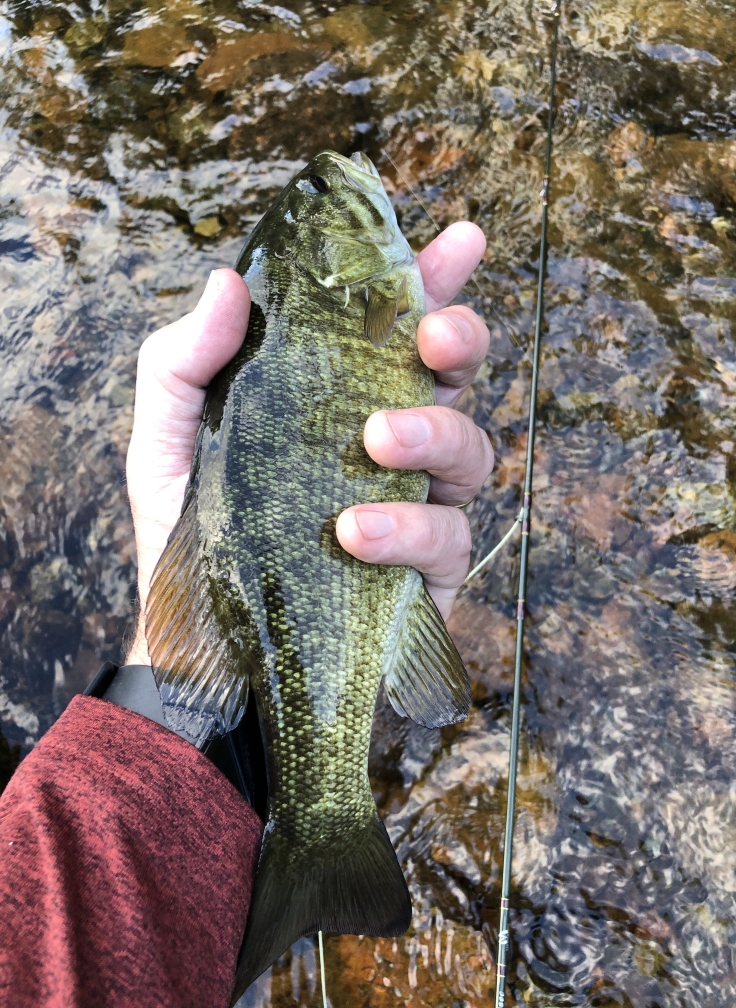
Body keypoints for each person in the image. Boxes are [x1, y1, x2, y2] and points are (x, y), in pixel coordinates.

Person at [0, 222, 494, 1007]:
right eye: (333, 201)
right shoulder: (383, 303)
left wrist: (200, 733)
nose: (344, 185)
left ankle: (296, 827)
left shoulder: (364, 306)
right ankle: (314, 827)